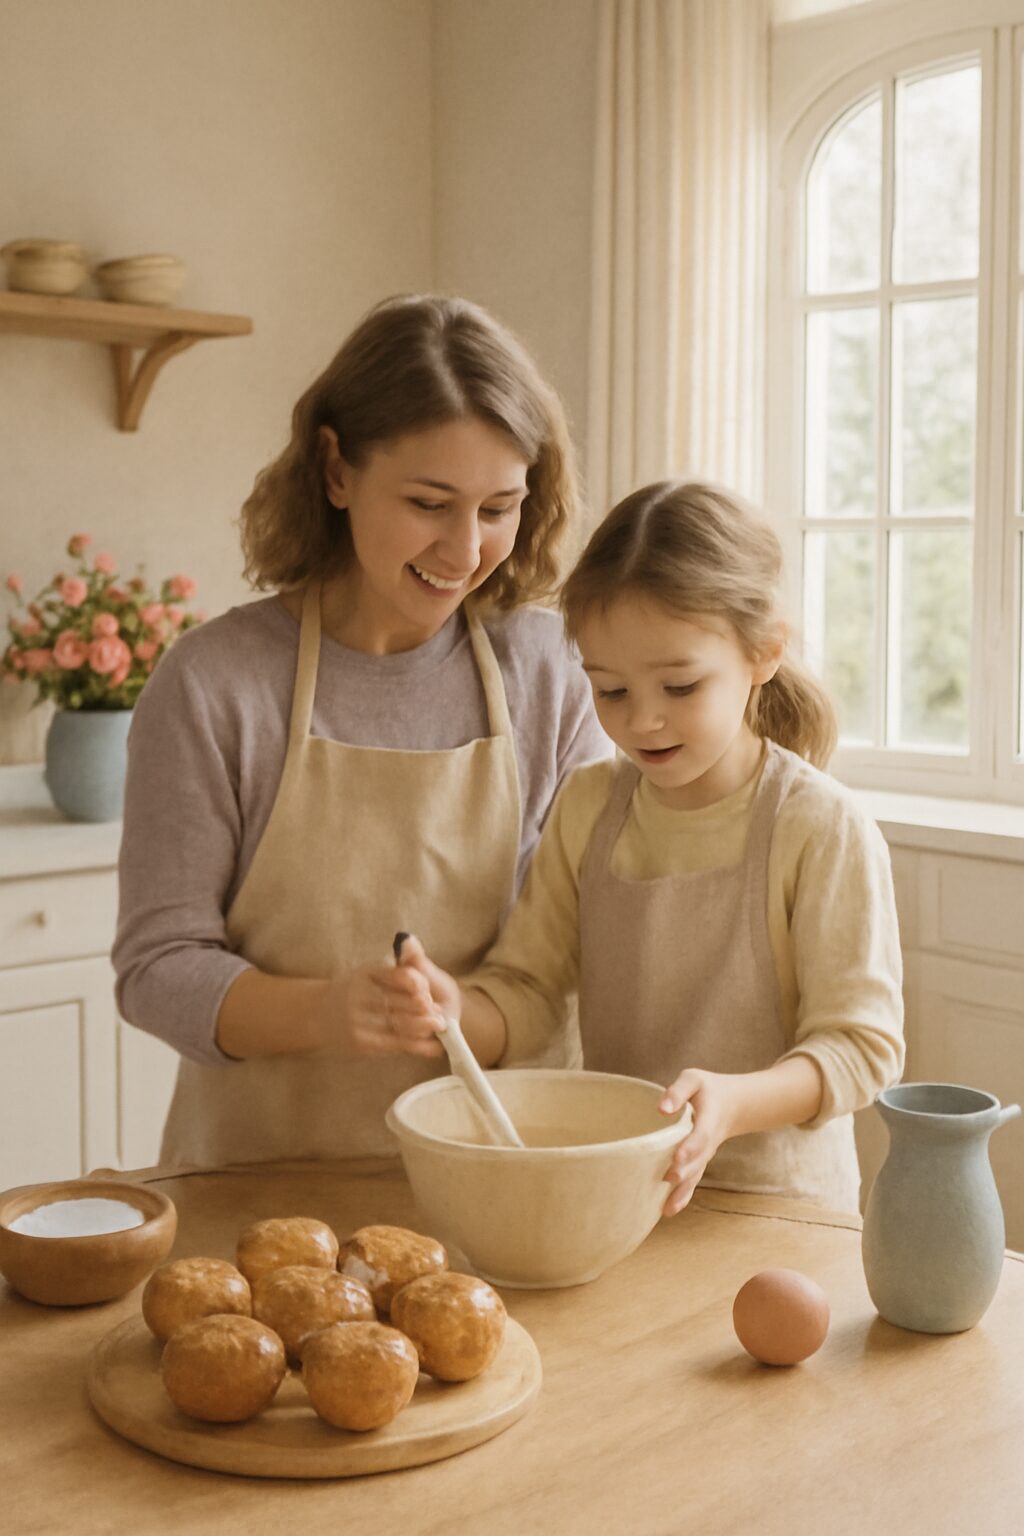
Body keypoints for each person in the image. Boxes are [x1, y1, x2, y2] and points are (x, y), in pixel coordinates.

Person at [113, 294, 612, 1166]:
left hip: (501, 1179)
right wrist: (325, 1013)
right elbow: (156, 970)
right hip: (256, 1189)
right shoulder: (216, 683)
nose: (465, 549)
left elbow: (575, 945)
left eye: (499, 508)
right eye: (429, 502)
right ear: (337, 470)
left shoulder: (553, 673)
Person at [381, 479, 905, 1215]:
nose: (644, 723)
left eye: (681, 687)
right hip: (624, 1207)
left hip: (780, 1212)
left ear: (764, 653)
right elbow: (529, 994)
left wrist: (731, 1104)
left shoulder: (819, 827)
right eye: (612, 691)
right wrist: (455, 1009)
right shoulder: (590, 806)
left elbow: (862, 1050)